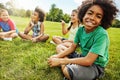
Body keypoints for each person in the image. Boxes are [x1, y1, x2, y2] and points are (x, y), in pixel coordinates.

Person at [48, 0, 119, 80]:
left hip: (95, 65)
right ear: (83, 14)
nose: (92, 18)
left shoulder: (102, 34)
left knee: (68, 73)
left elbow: (88, 61)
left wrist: (61, 61)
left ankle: (68, 64)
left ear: (101, 22)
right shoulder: (80, 30)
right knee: (59, 47)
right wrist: (57, 56)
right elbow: (72, 48)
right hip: (82, 56)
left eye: (98, 16)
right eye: (90, 13)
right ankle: (70, 63)